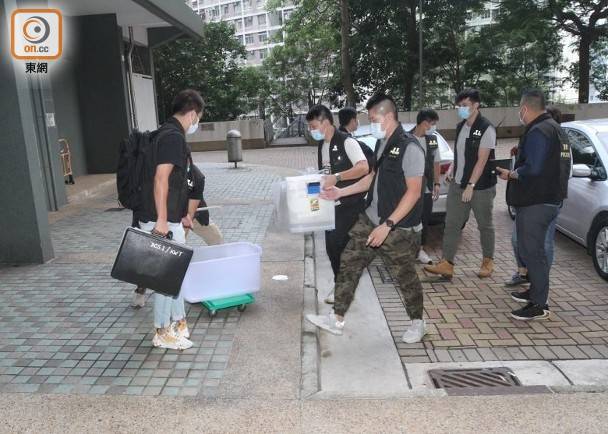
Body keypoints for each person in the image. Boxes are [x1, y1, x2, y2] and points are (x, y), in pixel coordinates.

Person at [306, 93, 426, 343]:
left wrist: (388, 225)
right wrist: (341, 190)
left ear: (388, 116)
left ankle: (417, 322)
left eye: (374, 119)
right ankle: (337, 318)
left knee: (404, 276)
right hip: (371, 218)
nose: (370, 123)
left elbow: (414, 192)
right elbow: (371, 178)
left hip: (398, 227)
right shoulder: (383, 144)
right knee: (349, 260)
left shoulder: (410, 147)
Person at [139, 89, 204, 350]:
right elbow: (161, 179)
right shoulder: (173, 137)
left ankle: (178, 323)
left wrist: (180, 216)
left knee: (174, 275)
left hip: (168, 218)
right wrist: (163, 220)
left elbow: (175, 182)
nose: (196, 122)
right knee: (166, 277)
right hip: (160, 221)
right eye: (197, 117)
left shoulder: (164, 133)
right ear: (191, 114)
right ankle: (161, 331)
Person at [497, 89, 571, 320]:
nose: (520, 113)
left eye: (520, 108)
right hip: (550, 198)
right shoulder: (557, 130)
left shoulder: (539, 130)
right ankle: (535, 293)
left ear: (525, 108)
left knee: (532, 252)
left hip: (536, 201)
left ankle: (539, 304)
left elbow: (534, 168)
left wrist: (511, 174)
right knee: (531, 250)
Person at [424, 89, 497, 280]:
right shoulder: (461, 126)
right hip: (458, 184)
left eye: (465, 105)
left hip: (480, 186)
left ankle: (488, 260)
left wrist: (471, 185)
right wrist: (450, 171)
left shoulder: (487, 128)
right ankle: (447, 263)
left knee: (485, 225)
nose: (461, 109)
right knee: (452, 224)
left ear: (476, 105)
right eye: (459, 106)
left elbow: (482, 160)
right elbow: (460, 154)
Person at [307, 105, 369, 304]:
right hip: (330, 204)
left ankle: (343, 289)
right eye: (309, 127)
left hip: (349, 203)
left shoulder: (347, 142)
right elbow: (325, 174)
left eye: (313, 126)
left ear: (326, 122)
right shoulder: (322, 145)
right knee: (332, 249)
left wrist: (338, 177)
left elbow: (363, 167)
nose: (311, 131)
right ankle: (341, 285)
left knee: (338, 246)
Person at [505, 106, 562, 286]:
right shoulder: (534, 138)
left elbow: (537, 170)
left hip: (544, 201)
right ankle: (524, 274)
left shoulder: (556, 141)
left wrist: (513, 174)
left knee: (544, 244)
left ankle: (539, 283)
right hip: (527, 199)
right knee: (518, 240)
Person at [410, 109, 441, 265]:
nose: (434, 127)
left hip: (426, 188)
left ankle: (420, 249)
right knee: (408, 219)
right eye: (433, 124)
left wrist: (436, 183)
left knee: (424, 219)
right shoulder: (406, 139)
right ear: (424, 123)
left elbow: (436, 162)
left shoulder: (432, 140)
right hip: (408, 190)